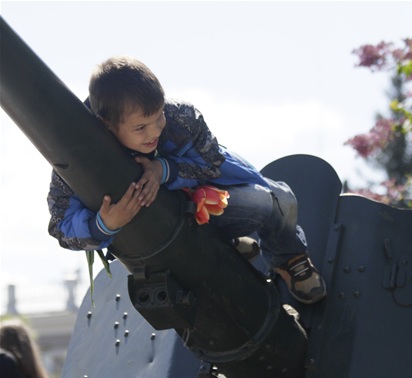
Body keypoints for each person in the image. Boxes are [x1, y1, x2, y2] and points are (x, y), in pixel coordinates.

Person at [47, 56, 326, 305]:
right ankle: (222, 246)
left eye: (157, 118)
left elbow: (213, 165)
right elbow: (60, 228)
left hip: (205, 203)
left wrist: (163, 169)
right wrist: (103, 225)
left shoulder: (181, 119)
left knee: (274, 202)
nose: (154, 131)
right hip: (155, 234)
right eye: (141, 128)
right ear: (107, 124)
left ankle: (288, 258)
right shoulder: (79, 159)